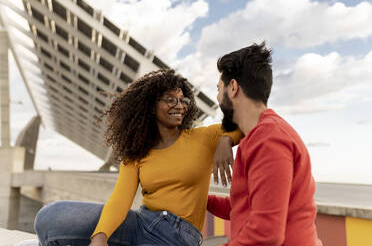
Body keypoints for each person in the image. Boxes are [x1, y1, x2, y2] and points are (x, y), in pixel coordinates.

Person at [33, 69, 241, 246]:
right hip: (141, 223)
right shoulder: (137, 152)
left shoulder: (204, 137)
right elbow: (121, 199)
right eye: (170, 100)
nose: (179, 105)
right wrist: (100, 236)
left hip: (180, 236)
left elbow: (246, 125)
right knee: (49, 216)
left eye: (183, 100)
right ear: (151, 106)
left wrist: (225, 140)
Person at [207, 42, 323, 246]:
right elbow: (243, 206)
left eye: (219, 89)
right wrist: (202, 200)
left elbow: (265, 234)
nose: (217, 97)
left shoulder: (268, 138)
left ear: (233, 87)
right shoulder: (259, 135)